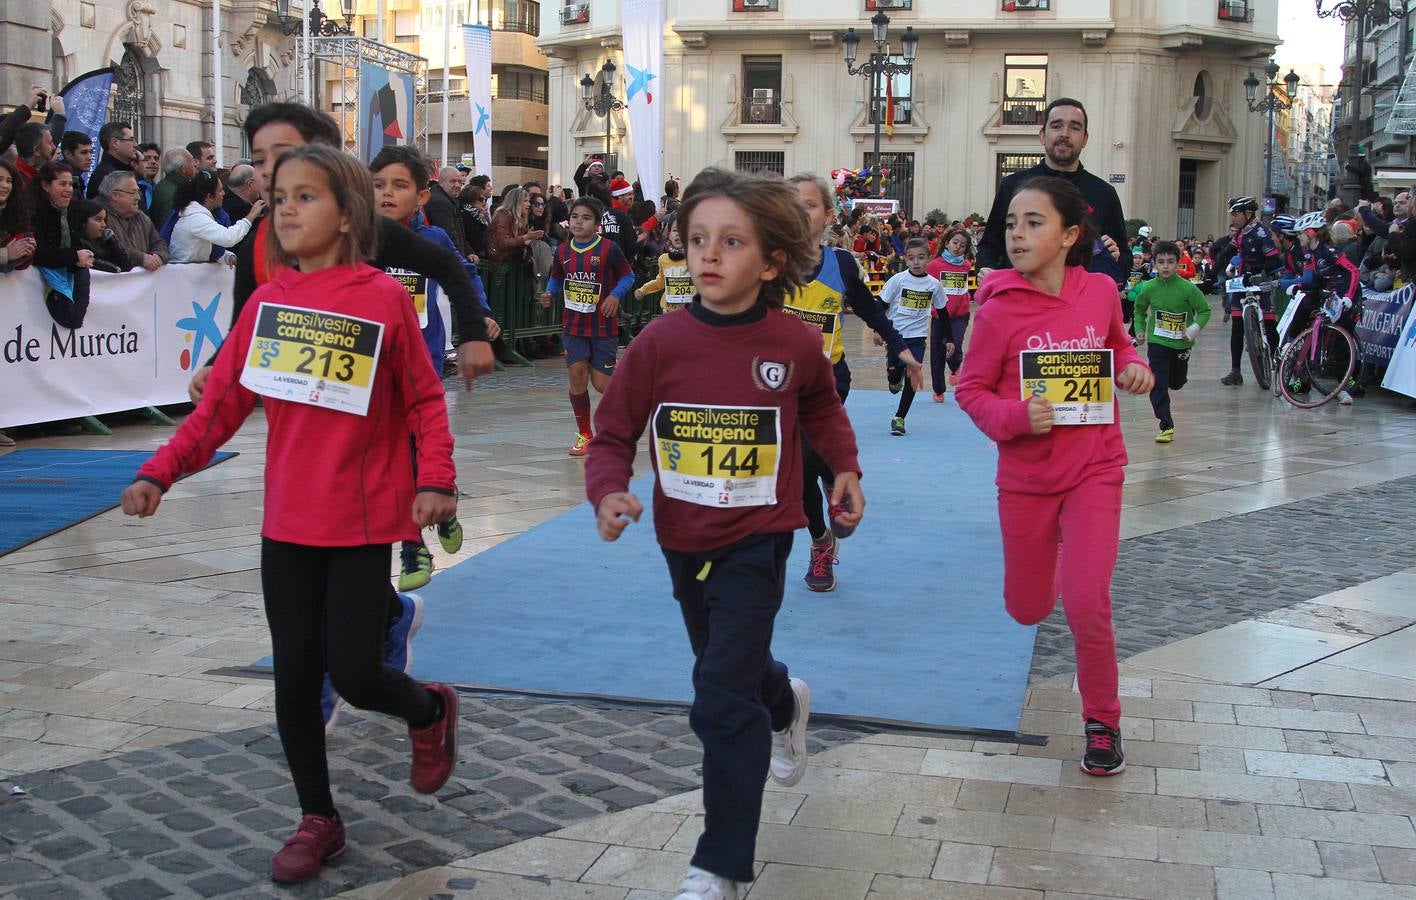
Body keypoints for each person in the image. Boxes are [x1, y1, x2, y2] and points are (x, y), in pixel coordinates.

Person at [119, 145, 460, 885]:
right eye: (279, 198)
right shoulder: (269, 304)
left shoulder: (381, 298)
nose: (288, 209)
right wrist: (159, 471)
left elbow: (425, 398)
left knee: (360, 675)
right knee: (295, 678)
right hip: (287, 526)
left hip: (364, 523)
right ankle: (318, 819)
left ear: (346, 215)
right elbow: (218, 409)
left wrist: (436, 479)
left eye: (307, 196)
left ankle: (430, 711)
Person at [585, 167, 863, 900]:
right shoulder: (659, 343)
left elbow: (824, 409)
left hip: (760, 537)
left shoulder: (795, 344)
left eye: (731, 242)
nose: (708, 255)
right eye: (697, 240)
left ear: (771, 261)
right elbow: (613, 431)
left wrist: (844, 470)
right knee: (734, 669)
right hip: (683, 539)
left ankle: (720, 864)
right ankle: (786, 702)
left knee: (716, 692)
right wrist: (608, 489)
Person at [957, 177, 1152, 778]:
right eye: (1012, 223)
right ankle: (1059, 573)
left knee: (1089, 602)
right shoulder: (998, 311)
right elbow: (971, 390)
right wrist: (1015, 416)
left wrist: (1135, 367)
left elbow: (1119, 345)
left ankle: (1103, 722)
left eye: (1033, 223)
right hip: (1026, 481)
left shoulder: (1098, 292)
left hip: (1096, 467)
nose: (1017, 234)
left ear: (1070, 235)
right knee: (1027, 607)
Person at [189, 102, 494, 404]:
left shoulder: (361, 230)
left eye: (283, 154)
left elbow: (448, 265)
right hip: (297, 414)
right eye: (259, 159)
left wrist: (473, 331)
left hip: (378, 408)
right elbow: (243, 326)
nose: (269, 169)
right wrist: (216, 366)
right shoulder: (257, 244)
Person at [784, 173, 922, 593]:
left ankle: (832, 493)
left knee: (804, 457)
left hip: (830, 380)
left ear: (827, 215)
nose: (798, 211)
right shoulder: (768, 262)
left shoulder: (841, 264)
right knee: (799, 469)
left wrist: (899, 347)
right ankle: (822, 537)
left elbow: (869, 310)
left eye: (808, 204)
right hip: (781, 384)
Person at [369, 145, 472, 592]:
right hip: (372, 367)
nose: (386, 194)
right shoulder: (356, 242)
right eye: (377, 186)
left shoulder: (434, 241)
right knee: (392, 460)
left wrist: (478, 321)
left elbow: (462, 277)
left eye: (398, 185)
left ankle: (440, 503)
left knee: (416, 451)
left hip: (423, 361)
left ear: (422, 196)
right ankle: (413, 546)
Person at [976, 99, 1127, 289]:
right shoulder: (1012, 185)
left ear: (1085, 138)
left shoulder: (1104, 193)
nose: (1064, 134)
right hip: (1022, 301)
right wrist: (987, 269)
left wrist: (1116, 256)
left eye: (1074, 127)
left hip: (1079, 306)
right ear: (1042, 135)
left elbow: (1124, 257)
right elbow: (990, 245)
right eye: (1056, 126)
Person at [538, 195, 635, 456]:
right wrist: (549, 294)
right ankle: (585, 434)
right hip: (573, 325)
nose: (579, 222)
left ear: (597, 224)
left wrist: (615, 296)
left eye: (586, 218)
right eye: (575, 217)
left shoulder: (609, 249)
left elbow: (629, 276)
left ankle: (623, 416)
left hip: (603, 326)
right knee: (576, 374)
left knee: (602, 384)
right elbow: (557, 279)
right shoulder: (562, 251)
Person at [1132, 241, 1210, 443]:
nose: (1165, 266)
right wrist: (1140, 330)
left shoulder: (1187, 289)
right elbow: (1139, 310)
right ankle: (1166, 425)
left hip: (1182, 344)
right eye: (1161, 262)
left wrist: (1192, 330)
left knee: (1176, 382)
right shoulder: (1148, 288)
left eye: (1170, 262)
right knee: (1158, 383)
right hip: (1158, 342)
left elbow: (1204, 311)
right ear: (1154, 264)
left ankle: (1177, 380)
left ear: (1178, 265)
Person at [1284, 211, 1361, 405]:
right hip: (1331, 295)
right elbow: (1314, 280)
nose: (1298, 237)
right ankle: (1298, 354)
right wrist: (1298, 286)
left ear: (1311, 232)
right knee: (1308, 309)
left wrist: (1349, 297)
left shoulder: (1329, 251)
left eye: (1300, 233)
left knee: (1342, 339)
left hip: (1347, 296)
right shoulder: (1311, 254)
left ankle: (1343, 387)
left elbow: (1353, 271)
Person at [876, 238, 947, 435]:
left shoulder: (934, 285)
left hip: (918, 338)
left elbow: (943, 312)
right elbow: (880, 306)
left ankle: (899, 417)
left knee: (913, 375)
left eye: (921, 257)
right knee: (895, 374)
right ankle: (893, 376)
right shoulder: (897, 280)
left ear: (928, 259)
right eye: (911, 258)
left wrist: (948, 338)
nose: (916, 262)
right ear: (905, 259)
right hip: (895, 336)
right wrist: (878, 330)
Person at [31, 162, 94, 328]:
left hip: (70, 271)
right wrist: (74, 257)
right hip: (44, 278)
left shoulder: (72, 209)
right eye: (62, 184)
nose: (68, 189)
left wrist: (83, 256)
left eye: (70, 184)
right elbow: (37, 252)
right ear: (46, 185)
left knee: (74, 317)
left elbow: (77, 241)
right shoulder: (35, 210)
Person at [169, 169, 262, 263]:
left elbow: (209, 250)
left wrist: (226, 256)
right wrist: (251, 215)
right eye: (220, 190)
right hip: (183, 275)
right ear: (210, 197)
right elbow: (228, 238)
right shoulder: (196, 218)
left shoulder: (196, 215)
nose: (224, 194)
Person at [926, 227, 973, 401]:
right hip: (939, 316)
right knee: (937, 352)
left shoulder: (967, 266)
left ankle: (954, 367)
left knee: (955, 344)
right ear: (946, 243)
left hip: (960, 315)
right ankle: (938, 390)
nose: (957, 247)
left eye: (962, 245)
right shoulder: (933, 266)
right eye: (955, 243)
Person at [96, 171, 167, 271]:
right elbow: (106, 248)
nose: (138, 197)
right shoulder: (96, 215)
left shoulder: (142, 217)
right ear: (115, 195)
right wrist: (141, 258)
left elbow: (159, 243)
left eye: (138, 192)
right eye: (133, 193)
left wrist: (158, 256)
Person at [634, 215, 692, 312]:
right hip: (669, 312)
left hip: (691, 314)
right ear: (669, 234)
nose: (678, 234)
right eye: (675, 230)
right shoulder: (663, 259)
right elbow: (660, 282)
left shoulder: (697, 259)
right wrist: (643, 290)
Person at [87, 122, 143, 207]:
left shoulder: (124, 171)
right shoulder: (106, 176)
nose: (135, 144)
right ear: (115, 143)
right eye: (131, 140)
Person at [69, 197, 132, 272]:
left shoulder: (105, 242)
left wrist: (112, 241)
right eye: (98, 220)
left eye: (104, 220)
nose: (104, 225)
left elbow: (127, 266)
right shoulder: (76, 245)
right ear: (83, 222)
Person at [0, 157, 36, 274]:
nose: (4, 185)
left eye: (9, 181)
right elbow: (8, 254)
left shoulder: (15, 213)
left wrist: (26, 250)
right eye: (0, 179)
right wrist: (6, 254)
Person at [424, 166, 469, 257]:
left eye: (459, 182)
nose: (457, 185)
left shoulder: (450, 199)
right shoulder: (439, 202)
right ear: (441, 182)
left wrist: (469, 251)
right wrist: (461, 262)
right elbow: (448, 236)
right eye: (453, 181)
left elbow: (459, 233)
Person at [149, 147, 197, 229]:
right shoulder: (173, 194)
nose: (195, 164)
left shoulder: (170, 186)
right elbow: (169, 228)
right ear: (182, 168)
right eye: (192, 161)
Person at [59, 130, 93, 195]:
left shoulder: (76, 178)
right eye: (83, 152)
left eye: (91, 152)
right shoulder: (61, 179)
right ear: (68, 154)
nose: (89, 157)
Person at [136, 142, 161, 208]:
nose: (153, 162)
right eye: (147, 158)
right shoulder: (132, 188)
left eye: (156, 158)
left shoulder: (157, 189)